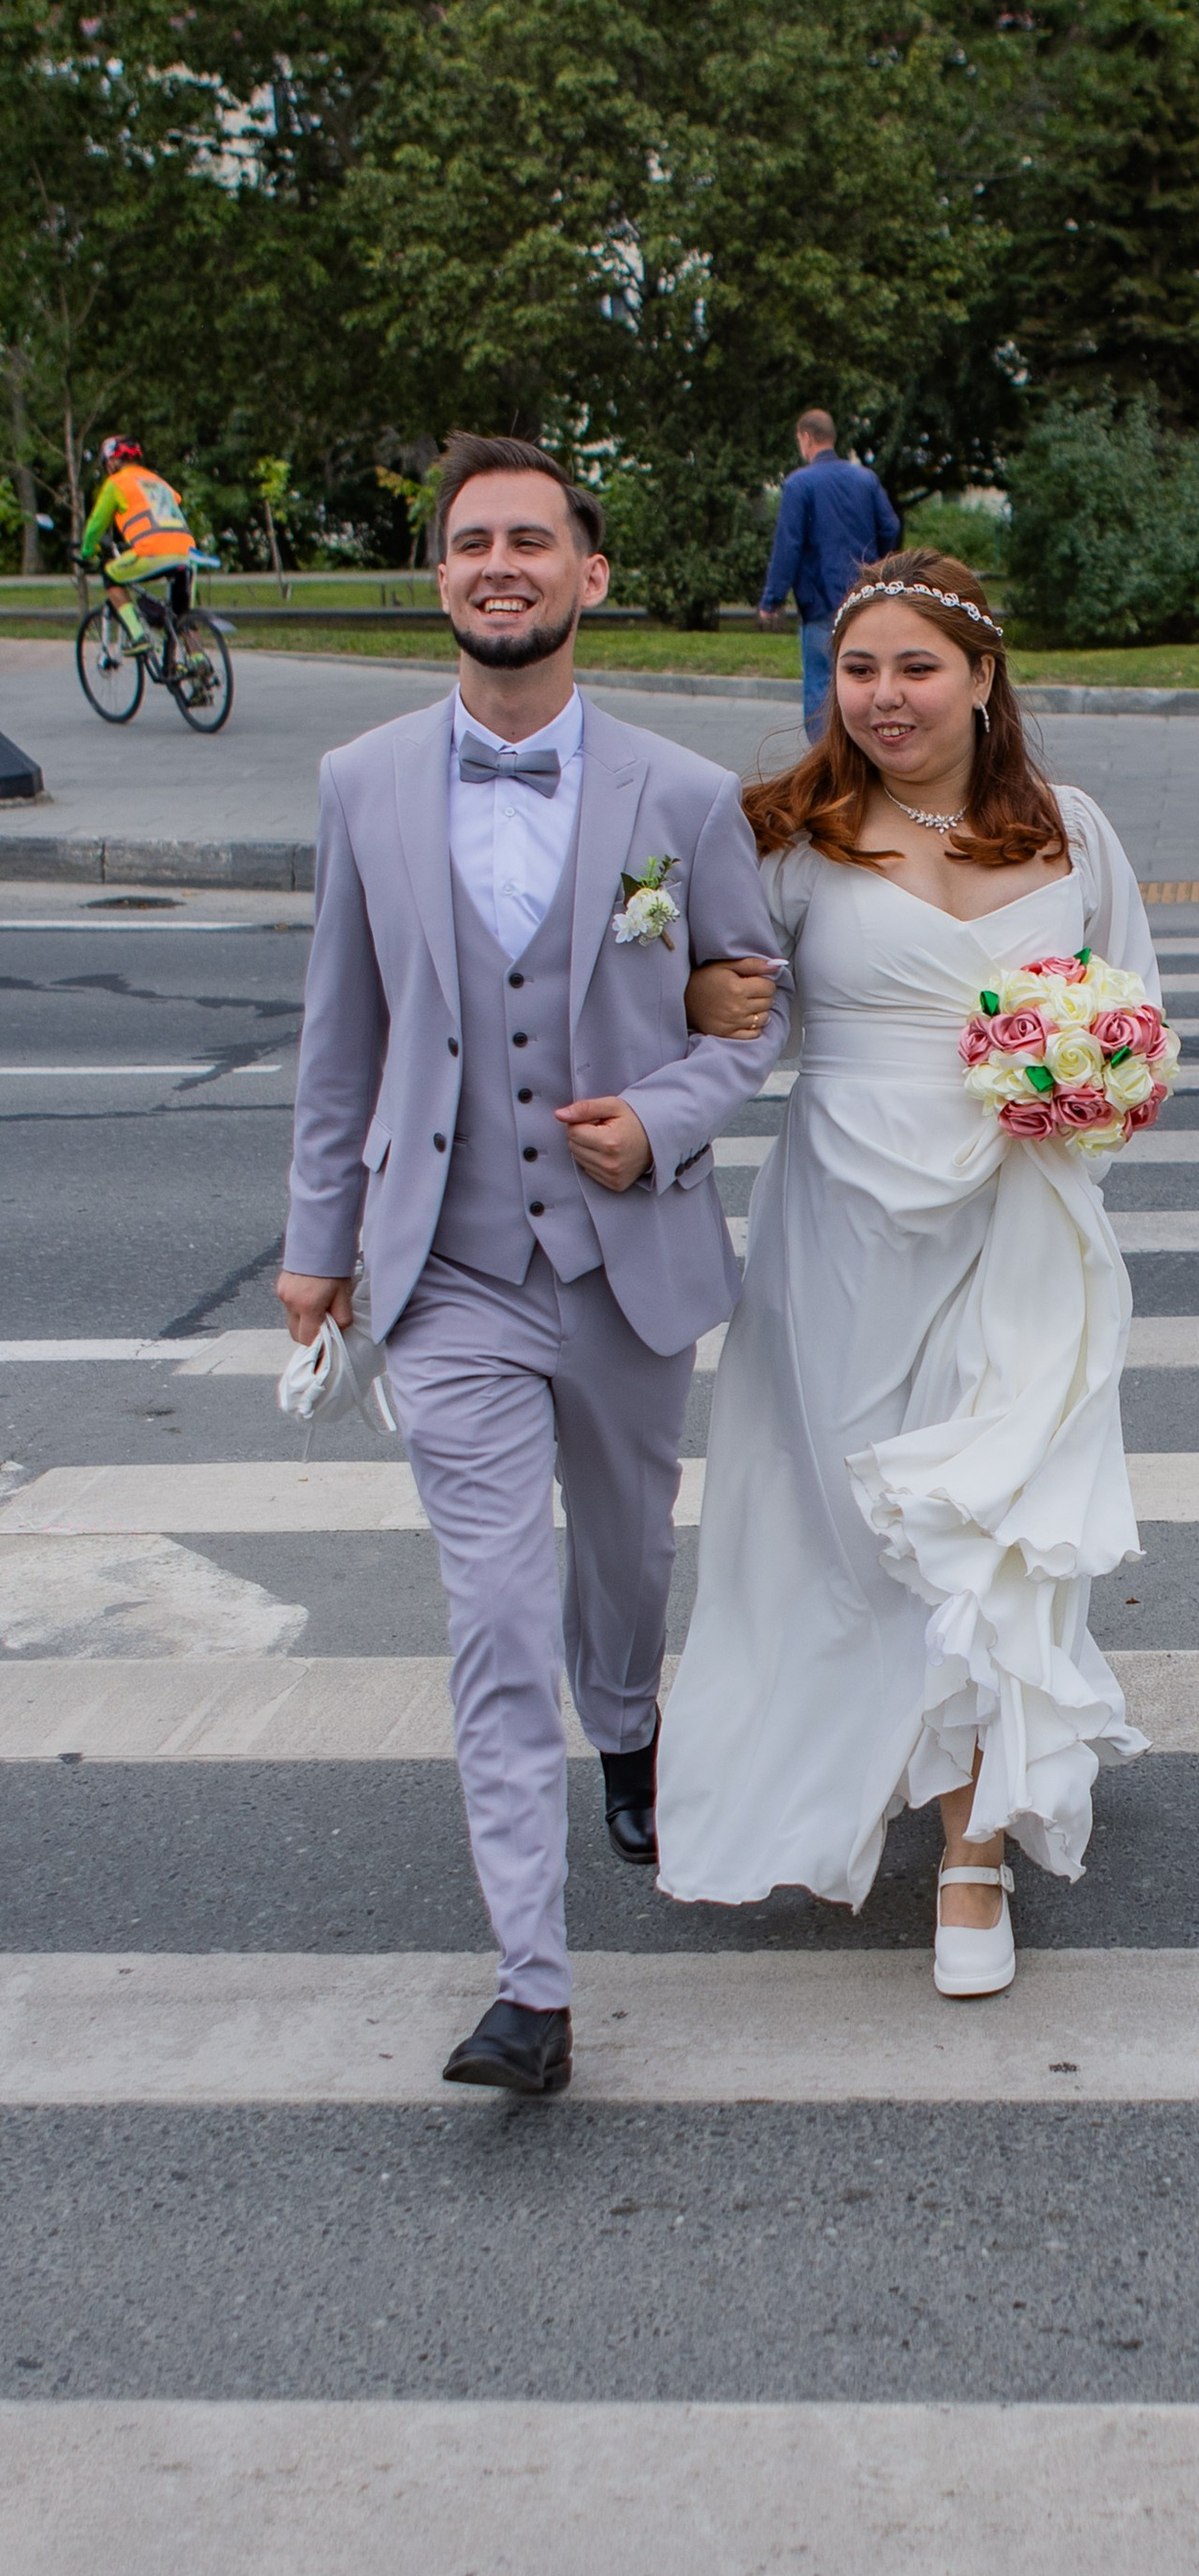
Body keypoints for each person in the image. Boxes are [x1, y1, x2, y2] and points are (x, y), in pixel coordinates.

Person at [276, 430, 792, 2100]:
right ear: (442, 577)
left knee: (625, 1564)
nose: (501, 564)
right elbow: (335, 1037)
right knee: (492, 1614)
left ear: (591, 576)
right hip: (445, 1271)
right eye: (471, 542)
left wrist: (660, 1117)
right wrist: (313, 1251)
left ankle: (630, 1722)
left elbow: (748, 1009)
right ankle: (533, 1985)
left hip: (621, 1259)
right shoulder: (362, 783)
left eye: (532, 541)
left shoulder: (685, 795)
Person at [657, 549, 1158, 2001]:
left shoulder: (1074, 836)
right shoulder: (788, 841)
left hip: (1023, 1222)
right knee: (860, 1534)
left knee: (994, 1525)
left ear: (984, 680)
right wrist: (700, 995)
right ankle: (880, 1754)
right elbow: (724, 1023)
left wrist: (1092, 1086)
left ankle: (974, 1854)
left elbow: (1135, 1020)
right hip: (846, 1231)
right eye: (857, 669)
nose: (882, 696)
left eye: (914, 667)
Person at [758, 406, 903, 738]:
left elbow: (789, 546)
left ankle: (827, 764)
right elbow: (890, 525)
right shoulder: (865, 479)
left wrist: (772, 600)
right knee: (864, 676)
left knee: (822, 685)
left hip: (820, 599)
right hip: (865, 597)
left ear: (805, 438)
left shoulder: (800, 484)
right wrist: (876, 569)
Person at [81, 437, 199, 619]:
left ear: (112, 461)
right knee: (182, 618)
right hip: (188, 553)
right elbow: (174, 500)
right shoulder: (158, 482)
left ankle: (138, 639)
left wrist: (87, 552)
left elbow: (95, 526)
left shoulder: (117, 483)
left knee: (110, 575)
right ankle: (195, 648)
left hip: (153, 552)